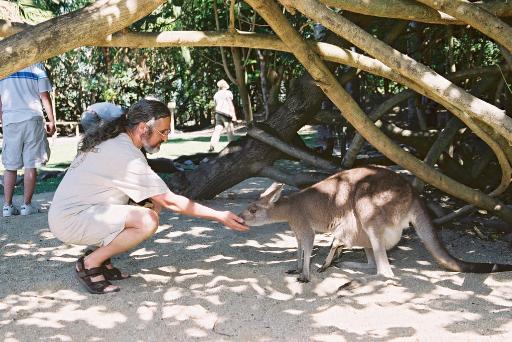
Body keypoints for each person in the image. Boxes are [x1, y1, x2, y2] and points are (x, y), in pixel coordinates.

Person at [48, 98, 249, 294]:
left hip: (79, 213)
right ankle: (89, 264)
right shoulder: (124, 153)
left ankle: (100, 256)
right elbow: (170, 200)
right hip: (71, 220)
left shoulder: (119, 141)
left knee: (150, 204)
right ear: (143, 128)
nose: (166, 138)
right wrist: (219, 216)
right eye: (163, 132)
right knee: (147, 219)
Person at [0, 63, 56, 217]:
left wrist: (3, 119)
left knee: (10, 165)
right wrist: (51, 120)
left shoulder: (4, 65)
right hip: (32, 118)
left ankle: (7, 206)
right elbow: (44, 96)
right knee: (30, 164)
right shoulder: (37, 65)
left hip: (10, 119)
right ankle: (26, 205)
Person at [80, 100, 180, 173]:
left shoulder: (120, 115)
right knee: (96, 141)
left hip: (89, 113)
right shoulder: (120, 115)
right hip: (91, 115)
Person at [208, 79, 236, 152]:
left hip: (218, 113)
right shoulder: (228, 93)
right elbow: (230, 104)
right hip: (226, 113)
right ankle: (232, 147)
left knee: (217, 131)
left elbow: (215, 105)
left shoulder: (216, 94)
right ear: (225, 85)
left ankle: (212, 145)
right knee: (230, 131)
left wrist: (214, 116)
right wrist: (234, 116)